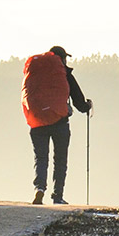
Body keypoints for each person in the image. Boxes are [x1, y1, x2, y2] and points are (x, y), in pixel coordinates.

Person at [25, 45, 93, 205]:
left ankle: (39, 189)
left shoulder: (35, 74)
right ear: (61, 59)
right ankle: (57, 196)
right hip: (59, 122)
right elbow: (78, 101)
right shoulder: (64, 74)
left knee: (41, 158)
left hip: (37, 122)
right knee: (60, 160)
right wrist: (87, 106)